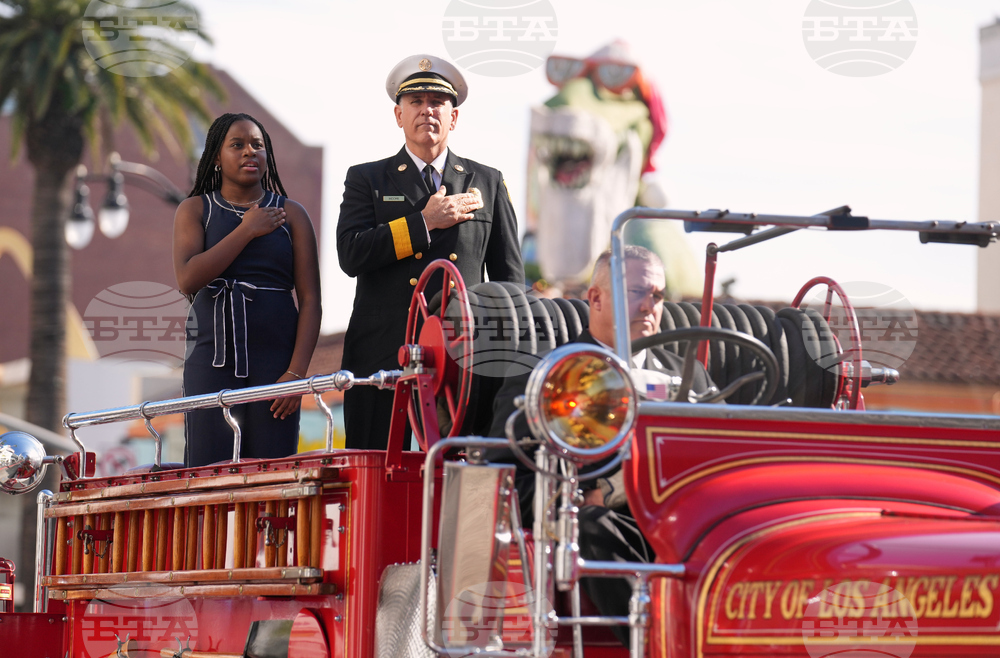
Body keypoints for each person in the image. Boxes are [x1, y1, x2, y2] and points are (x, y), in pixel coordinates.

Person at [488, 245, 716, 648]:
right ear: (595, 298)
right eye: (635, 292)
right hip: (605, 528)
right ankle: (665, 644)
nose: (649, 305)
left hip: (682, 525)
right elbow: (503, 478)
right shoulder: (547, 373)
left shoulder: (690, 378)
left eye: (658, 296)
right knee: (591, 525)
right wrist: (585, 495)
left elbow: (722, 459)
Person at [337, 54, 524, 450]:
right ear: (398, 115)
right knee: (378, 475)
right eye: (416, 102)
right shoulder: (366, 178)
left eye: (437, 102)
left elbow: (510, 284)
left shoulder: (486, 182)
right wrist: (424, 222)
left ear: (453, 117)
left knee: (459, 475)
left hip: (461, 359)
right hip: (383, 355)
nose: (427, 111)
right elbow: (350, 255)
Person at [173, 113, 322, 467]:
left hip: (275, 365)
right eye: (237, 145)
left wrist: (296, 375)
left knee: (272, 472)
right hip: (211, 361)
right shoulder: (195, 209)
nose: (249, 152)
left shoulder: (292, 214)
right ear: (215, 158)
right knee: (208, 472)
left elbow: (312, 300)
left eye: (257, 145)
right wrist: (247, 229)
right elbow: (188, 279)